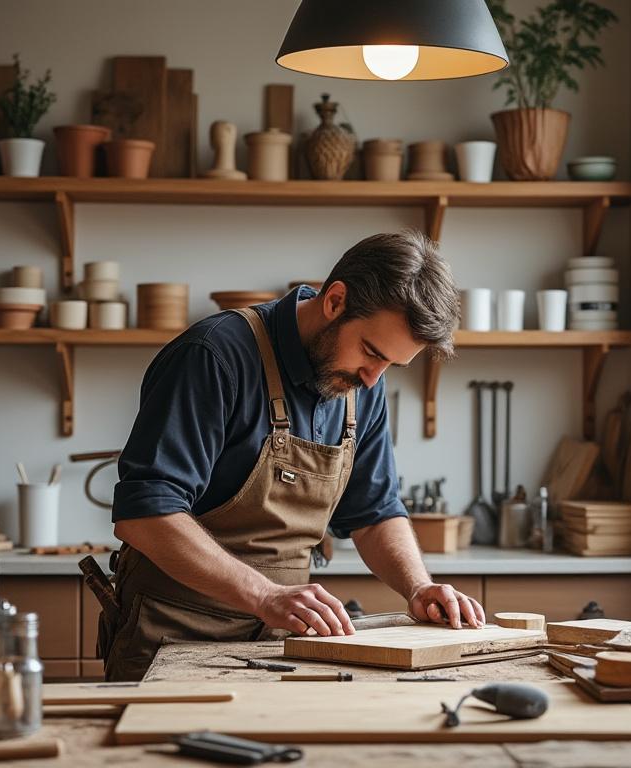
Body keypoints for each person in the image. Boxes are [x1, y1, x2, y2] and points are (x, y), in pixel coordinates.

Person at [103, 230, 486, 680]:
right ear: (336, 300)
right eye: (371, 352)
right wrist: (265, 595)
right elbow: (145, 515)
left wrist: (418, 586)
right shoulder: (213, 356)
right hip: (172, 634)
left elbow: (374, 512)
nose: (372, 378)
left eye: (390, 366)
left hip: (278, 642)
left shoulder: (362, 384)